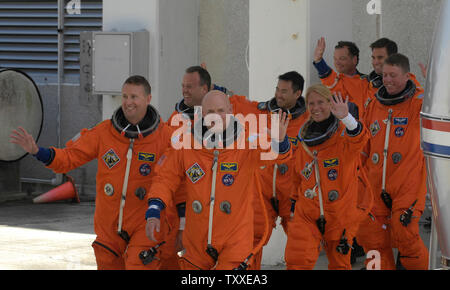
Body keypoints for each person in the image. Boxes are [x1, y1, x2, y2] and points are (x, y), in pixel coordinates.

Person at [10, 75, 174, 270]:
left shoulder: (166, 137)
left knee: (138, 264)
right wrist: (39, 152)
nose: (128, 103)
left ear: (148, 99)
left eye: (134, 97)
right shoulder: (104, 132)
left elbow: (173, 178)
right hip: (109, 227)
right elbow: (69, 157)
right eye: (125, 96)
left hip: (145, 222)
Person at [145, 90, 292, 270]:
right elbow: (165, 178)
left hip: (235, 239)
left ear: (230, 111)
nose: (216, 117)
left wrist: (281, 141)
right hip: (197, 241)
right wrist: (154, 209)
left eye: (221, 111)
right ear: (202, 114)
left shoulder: (247, 141)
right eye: (210, 112)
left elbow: (275, 154)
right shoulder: (186, 143)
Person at [284, 84, 370, 270]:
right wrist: (292, 203)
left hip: (340, 214)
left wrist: (346, 118)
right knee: (297, 260)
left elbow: (360, 139)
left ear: (330, 103)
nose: (315, 108)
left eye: (321, 102)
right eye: (311, 103)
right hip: (307, 213)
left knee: (340, 265)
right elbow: (298, 176)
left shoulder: (342, 136)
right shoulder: (304, 140)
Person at [357, 53, 429, 270]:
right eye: (385, 74)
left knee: (404, 232)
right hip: (375, 183)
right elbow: (363, 147)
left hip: (407, 182)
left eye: (393, 75)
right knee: (370, 235)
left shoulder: (419, 103)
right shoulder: (373, 105)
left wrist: (435, 90)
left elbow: (442, 112)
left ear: (407, 76)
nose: (387, 79)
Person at [313, 37, 368, 114]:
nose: (337, 62)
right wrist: (318, 60)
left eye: (342, 58)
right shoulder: (336, 81)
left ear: (354, 60)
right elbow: (328, 77)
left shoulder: (367, 82)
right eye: (335, 59)